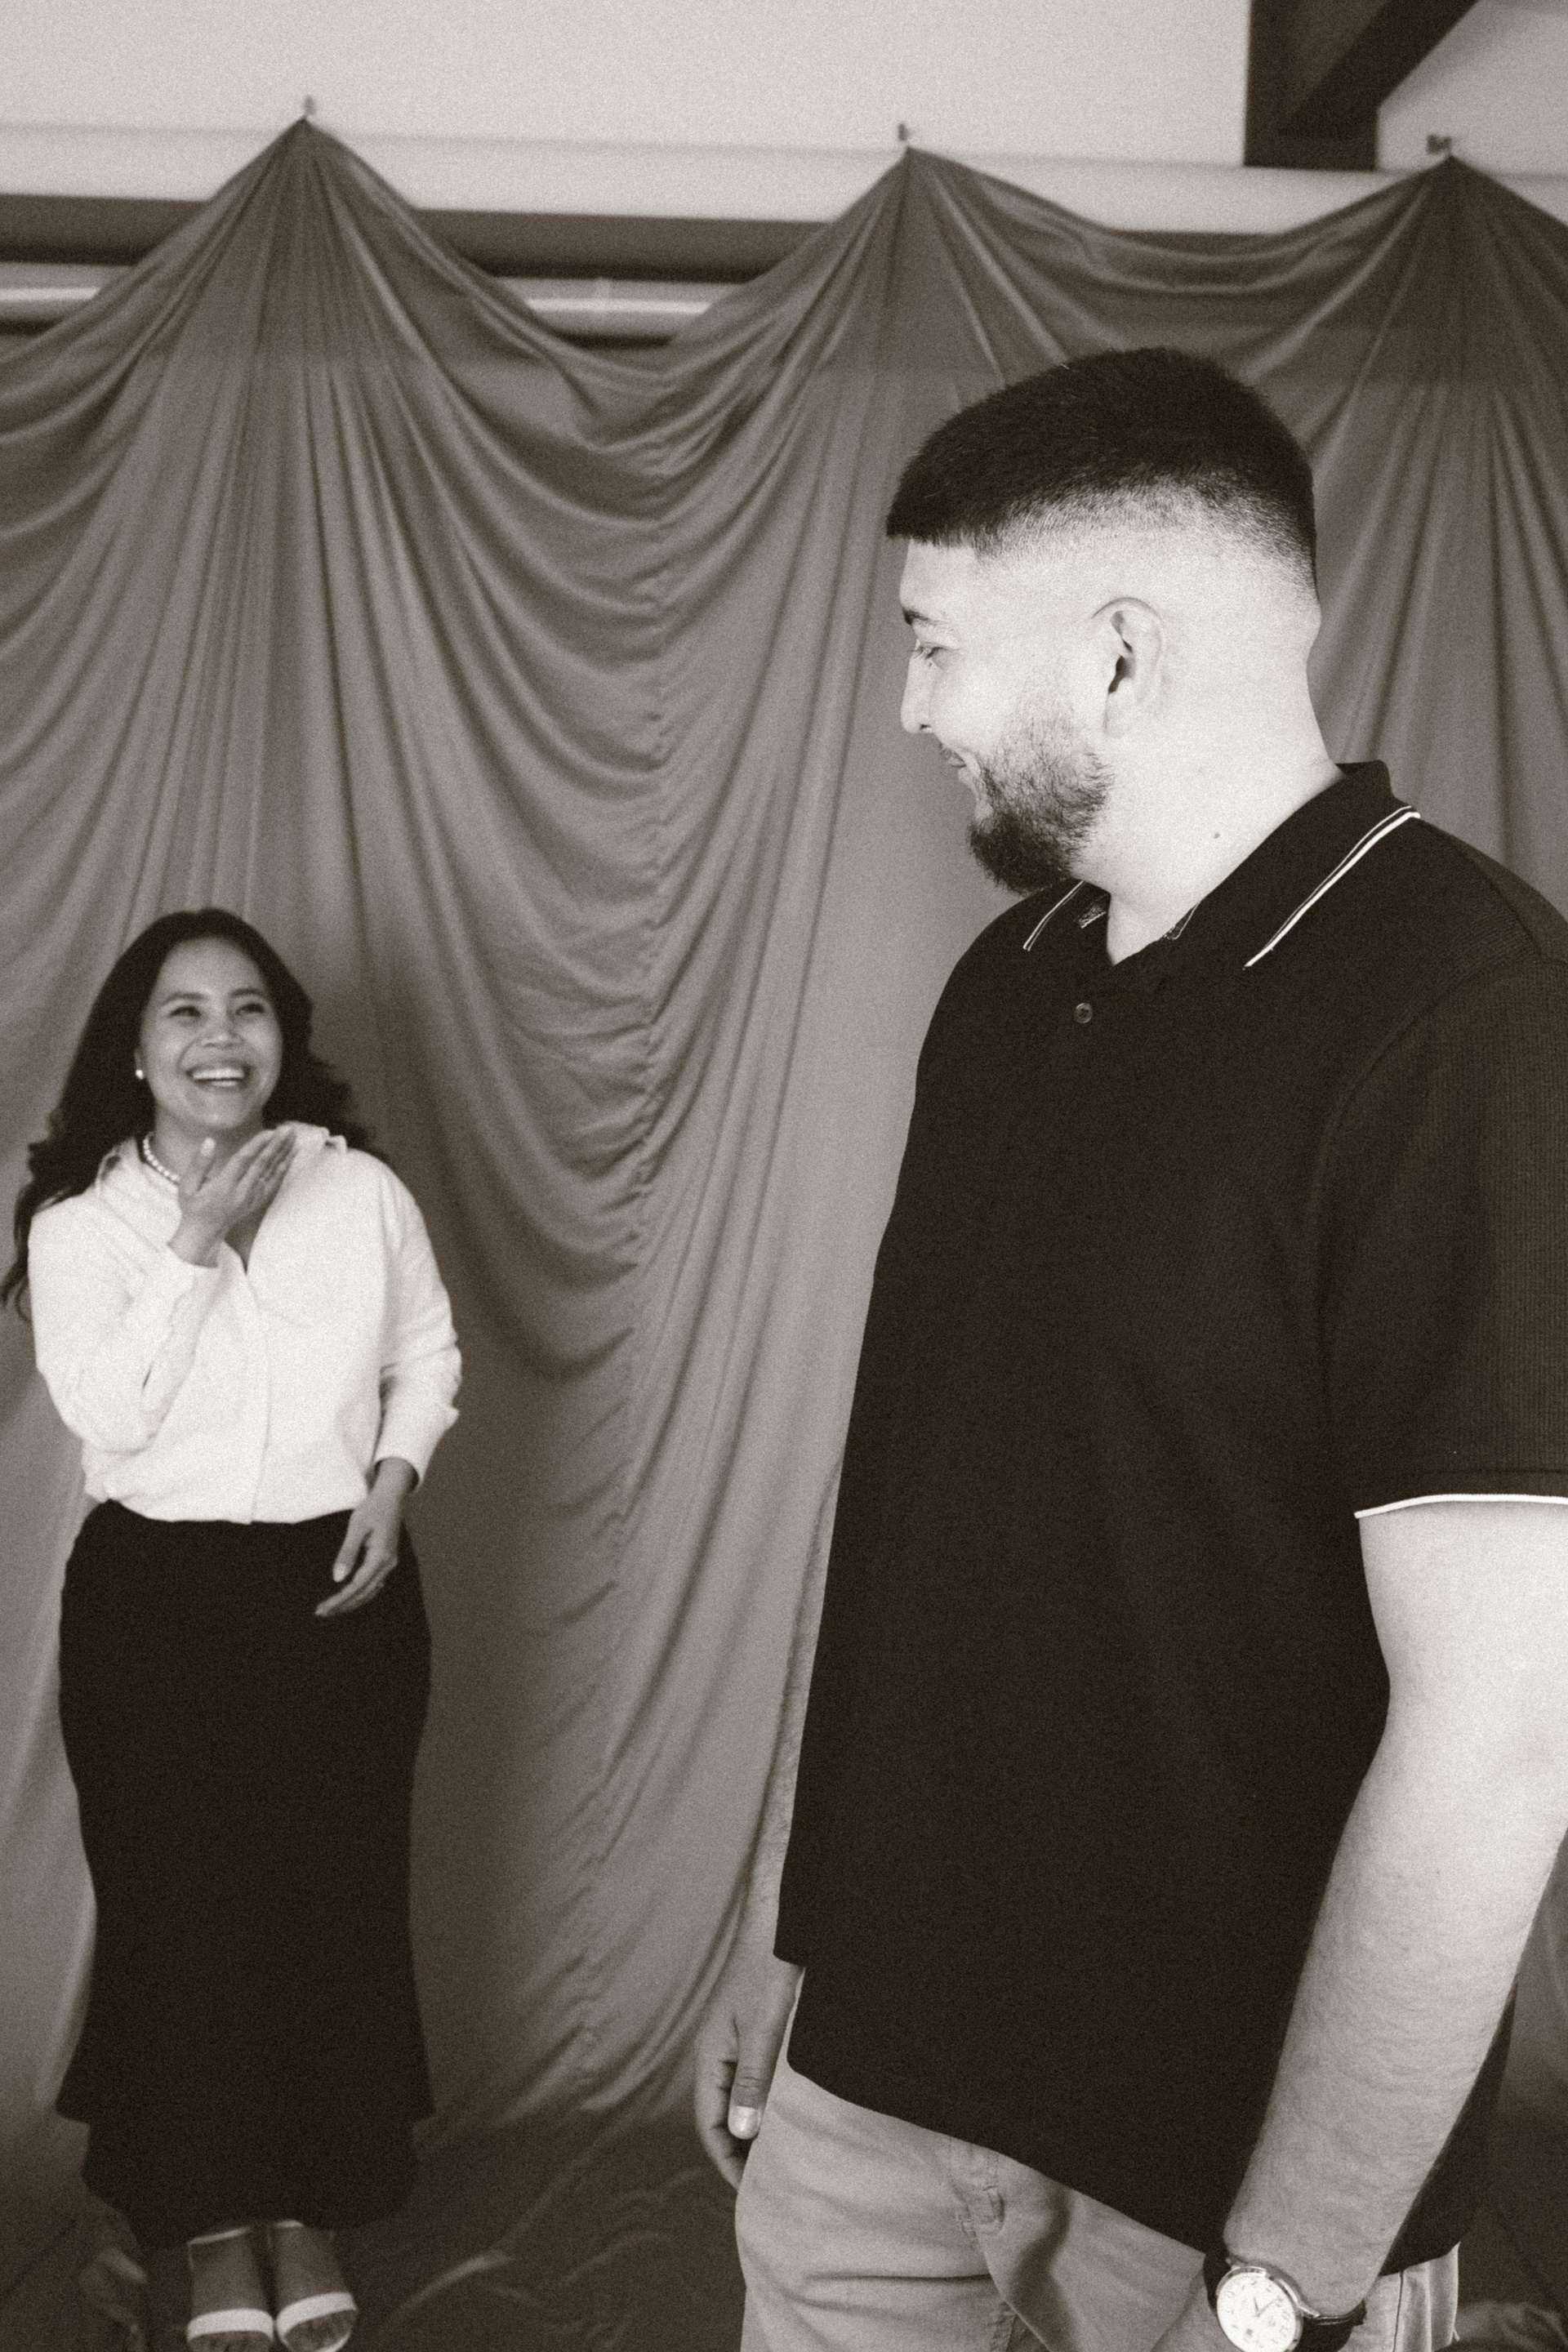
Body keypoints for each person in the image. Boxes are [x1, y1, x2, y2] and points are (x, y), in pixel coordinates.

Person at [693, 348, 1568, 2352]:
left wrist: (1285, 2290)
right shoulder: (1005, 986)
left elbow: (1503, 1738)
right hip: (873, 2078)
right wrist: (785, 1934)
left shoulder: (1472, 1021)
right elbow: (901, 1506)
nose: (909, 707)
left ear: (1116, 655)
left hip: (1217, 2173)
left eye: (933, 644)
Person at [5, 909, 461, 2352]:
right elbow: (108, 1411)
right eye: (184, 1012)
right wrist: (194, 1239)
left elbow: (426, 1353)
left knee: (330, 1913)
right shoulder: (81, 1228)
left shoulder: (361, 1190)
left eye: (248, 1008)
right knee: (186, 1926)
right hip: (159, 1609)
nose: (221, 1037)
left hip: (341, 1593)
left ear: (284, 1037)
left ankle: (308, 2214)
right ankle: (212, 2230)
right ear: (135, 1052)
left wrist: (393, 1482)